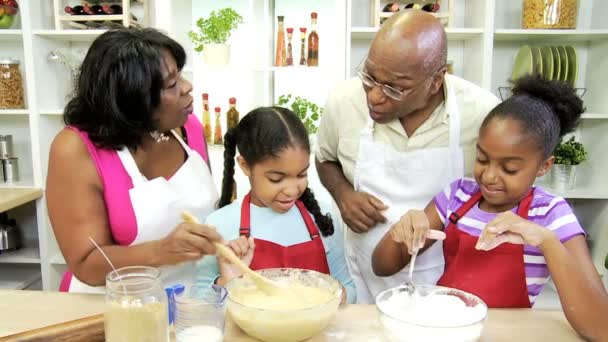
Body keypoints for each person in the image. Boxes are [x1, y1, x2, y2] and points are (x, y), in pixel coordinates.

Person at [372, 75, 608, 340]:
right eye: (482, 158)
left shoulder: (551, 215)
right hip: (449, 331)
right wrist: (401, 231)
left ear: (544, 166)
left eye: (510, 168)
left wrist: (546, 241)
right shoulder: (457, 196)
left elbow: (601, 328)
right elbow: (382, 266)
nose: (489, 176)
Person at [315, 10, 500, 302]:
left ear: (436, 81)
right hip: (362, 276)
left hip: (449, 280)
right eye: (370, 76)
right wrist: (343, 195)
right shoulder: (344, 101)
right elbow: (325, 158)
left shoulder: (482, 113)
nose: (375, 96)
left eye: (394, 88)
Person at [46, 28, 222, 293]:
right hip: (111, 305)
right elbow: (86, 264)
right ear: (132, 100)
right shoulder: (74, 149)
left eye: (181, 76)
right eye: (172, 84)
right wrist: (161, 251)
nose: (187, 87)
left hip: (188, 299)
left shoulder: (188, 128)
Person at [195, 107, 356, 304]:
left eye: (301, 175)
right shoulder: (219, 225)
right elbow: (199, 303)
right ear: (245, 166)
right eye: (276, 179)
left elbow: (348, 287)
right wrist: (227, 281)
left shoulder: (322, 216)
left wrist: (336, 296)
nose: (291, 190)